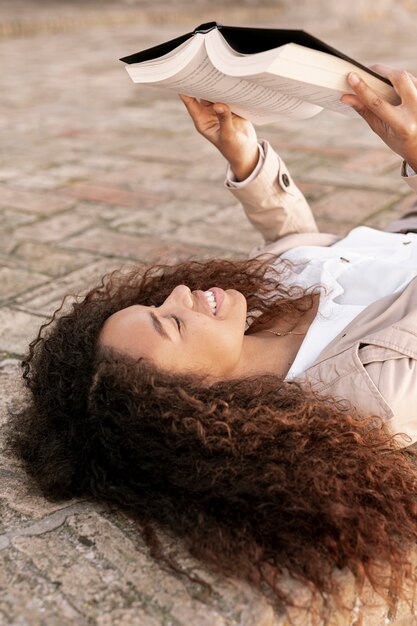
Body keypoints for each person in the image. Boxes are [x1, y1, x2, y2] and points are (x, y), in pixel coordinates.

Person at [7, 67, 417, 619]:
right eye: (170, 322)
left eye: (158, 305)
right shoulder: (379, 390)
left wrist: (245, 157)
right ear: (199, 401)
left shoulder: (253, 319)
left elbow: (293, 247)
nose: (179, 292)